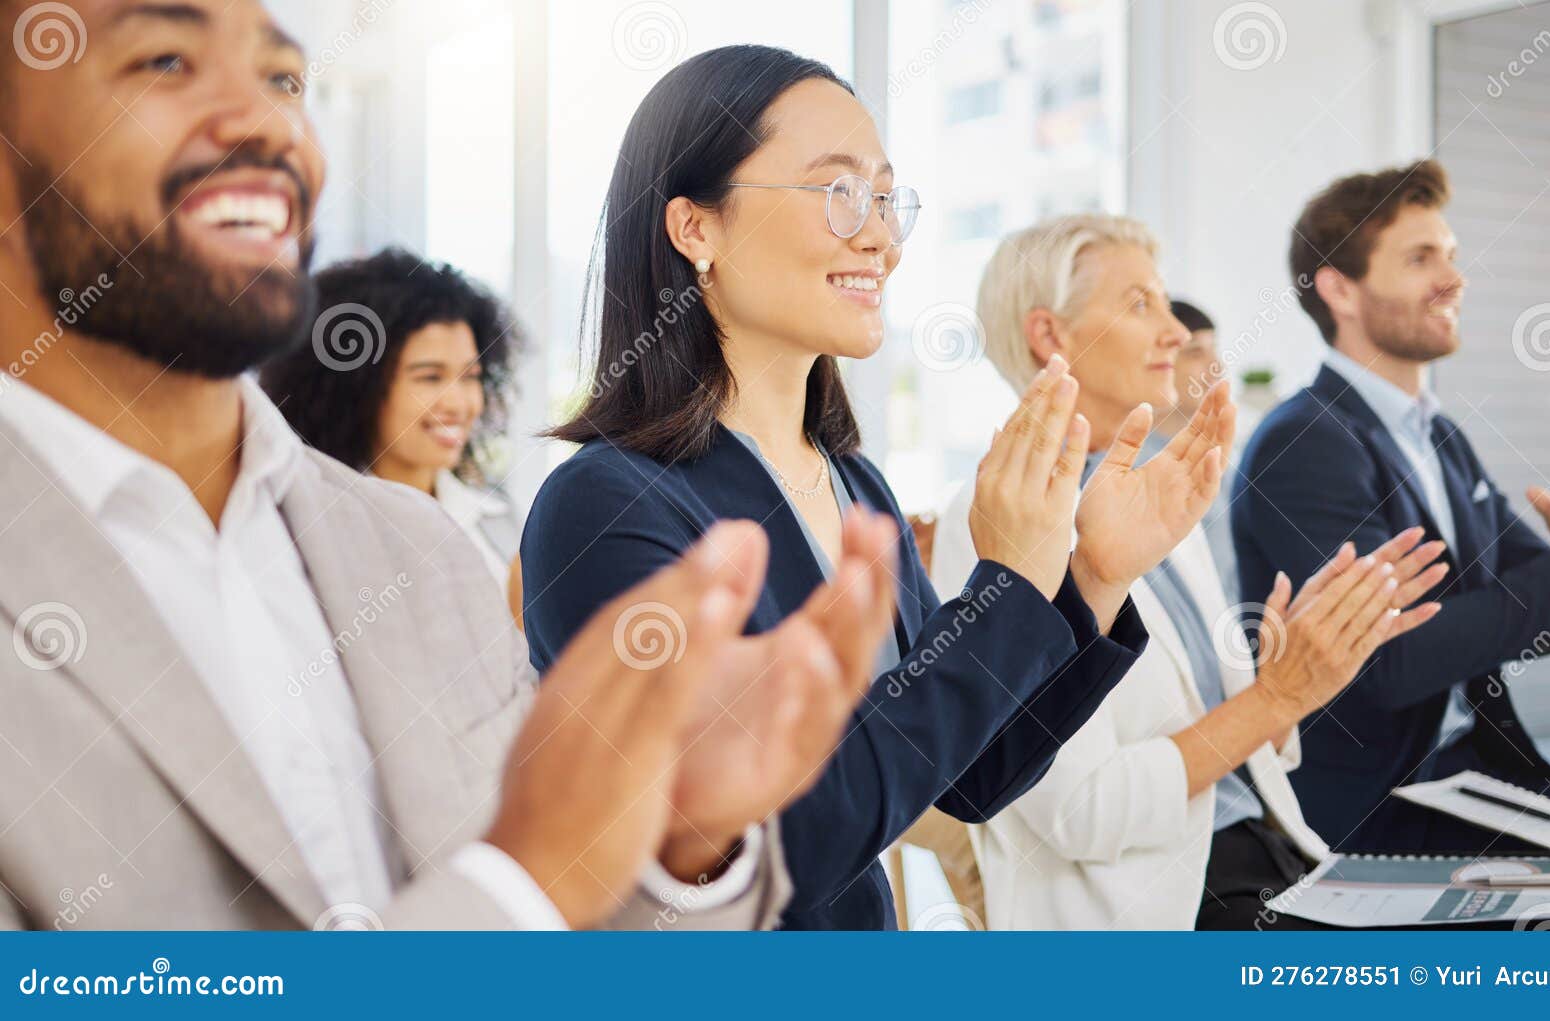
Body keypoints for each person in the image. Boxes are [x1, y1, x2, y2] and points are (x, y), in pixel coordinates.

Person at [0, 0, 899, 930]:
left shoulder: (416, 555)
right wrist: (529, 877)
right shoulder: (601, 499)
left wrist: (682, 843)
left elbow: (585, 936)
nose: (268, 123)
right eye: (163, 61)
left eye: (283, 79)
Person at [521, 45, 1234, 930]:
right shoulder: (605, 506)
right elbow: (778, 845)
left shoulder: (853, 484)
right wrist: (1006, 587)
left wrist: (1094, 576)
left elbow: (967, 777)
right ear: (694, 227)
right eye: (840, 193)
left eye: (888, 200)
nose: (882, 239)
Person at [930, 214, 1444, 929]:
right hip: (1163, 910)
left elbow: (1230, 736)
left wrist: (1289, 676)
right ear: (1050, 336)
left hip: (1271, 854)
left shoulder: (1158, 484)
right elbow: (1082, 813)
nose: (1175, 330)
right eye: (1140, 304)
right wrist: (1273, 699)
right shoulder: (992, 519)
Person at [1233, 158, 1550, 853]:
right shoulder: (1304, 444)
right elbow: (1387, 659)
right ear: (1341, 289)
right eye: (1421, 257)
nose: (1454, 278)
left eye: (1452, 256)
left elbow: (1546, 592)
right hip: (1371, 810)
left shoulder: (1439, 436)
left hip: (1475, 772)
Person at [260, 248, 527, 623]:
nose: (459, 403)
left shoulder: (496, 514)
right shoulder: (310, 526)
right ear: (359, 387)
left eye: (470, 377)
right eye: (429, 377)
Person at [1156, 299, 1239, 602]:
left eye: (1213, 349)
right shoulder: (1142, 470)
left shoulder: (1224, 452)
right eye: (1195, 353)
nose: (1216, 365)